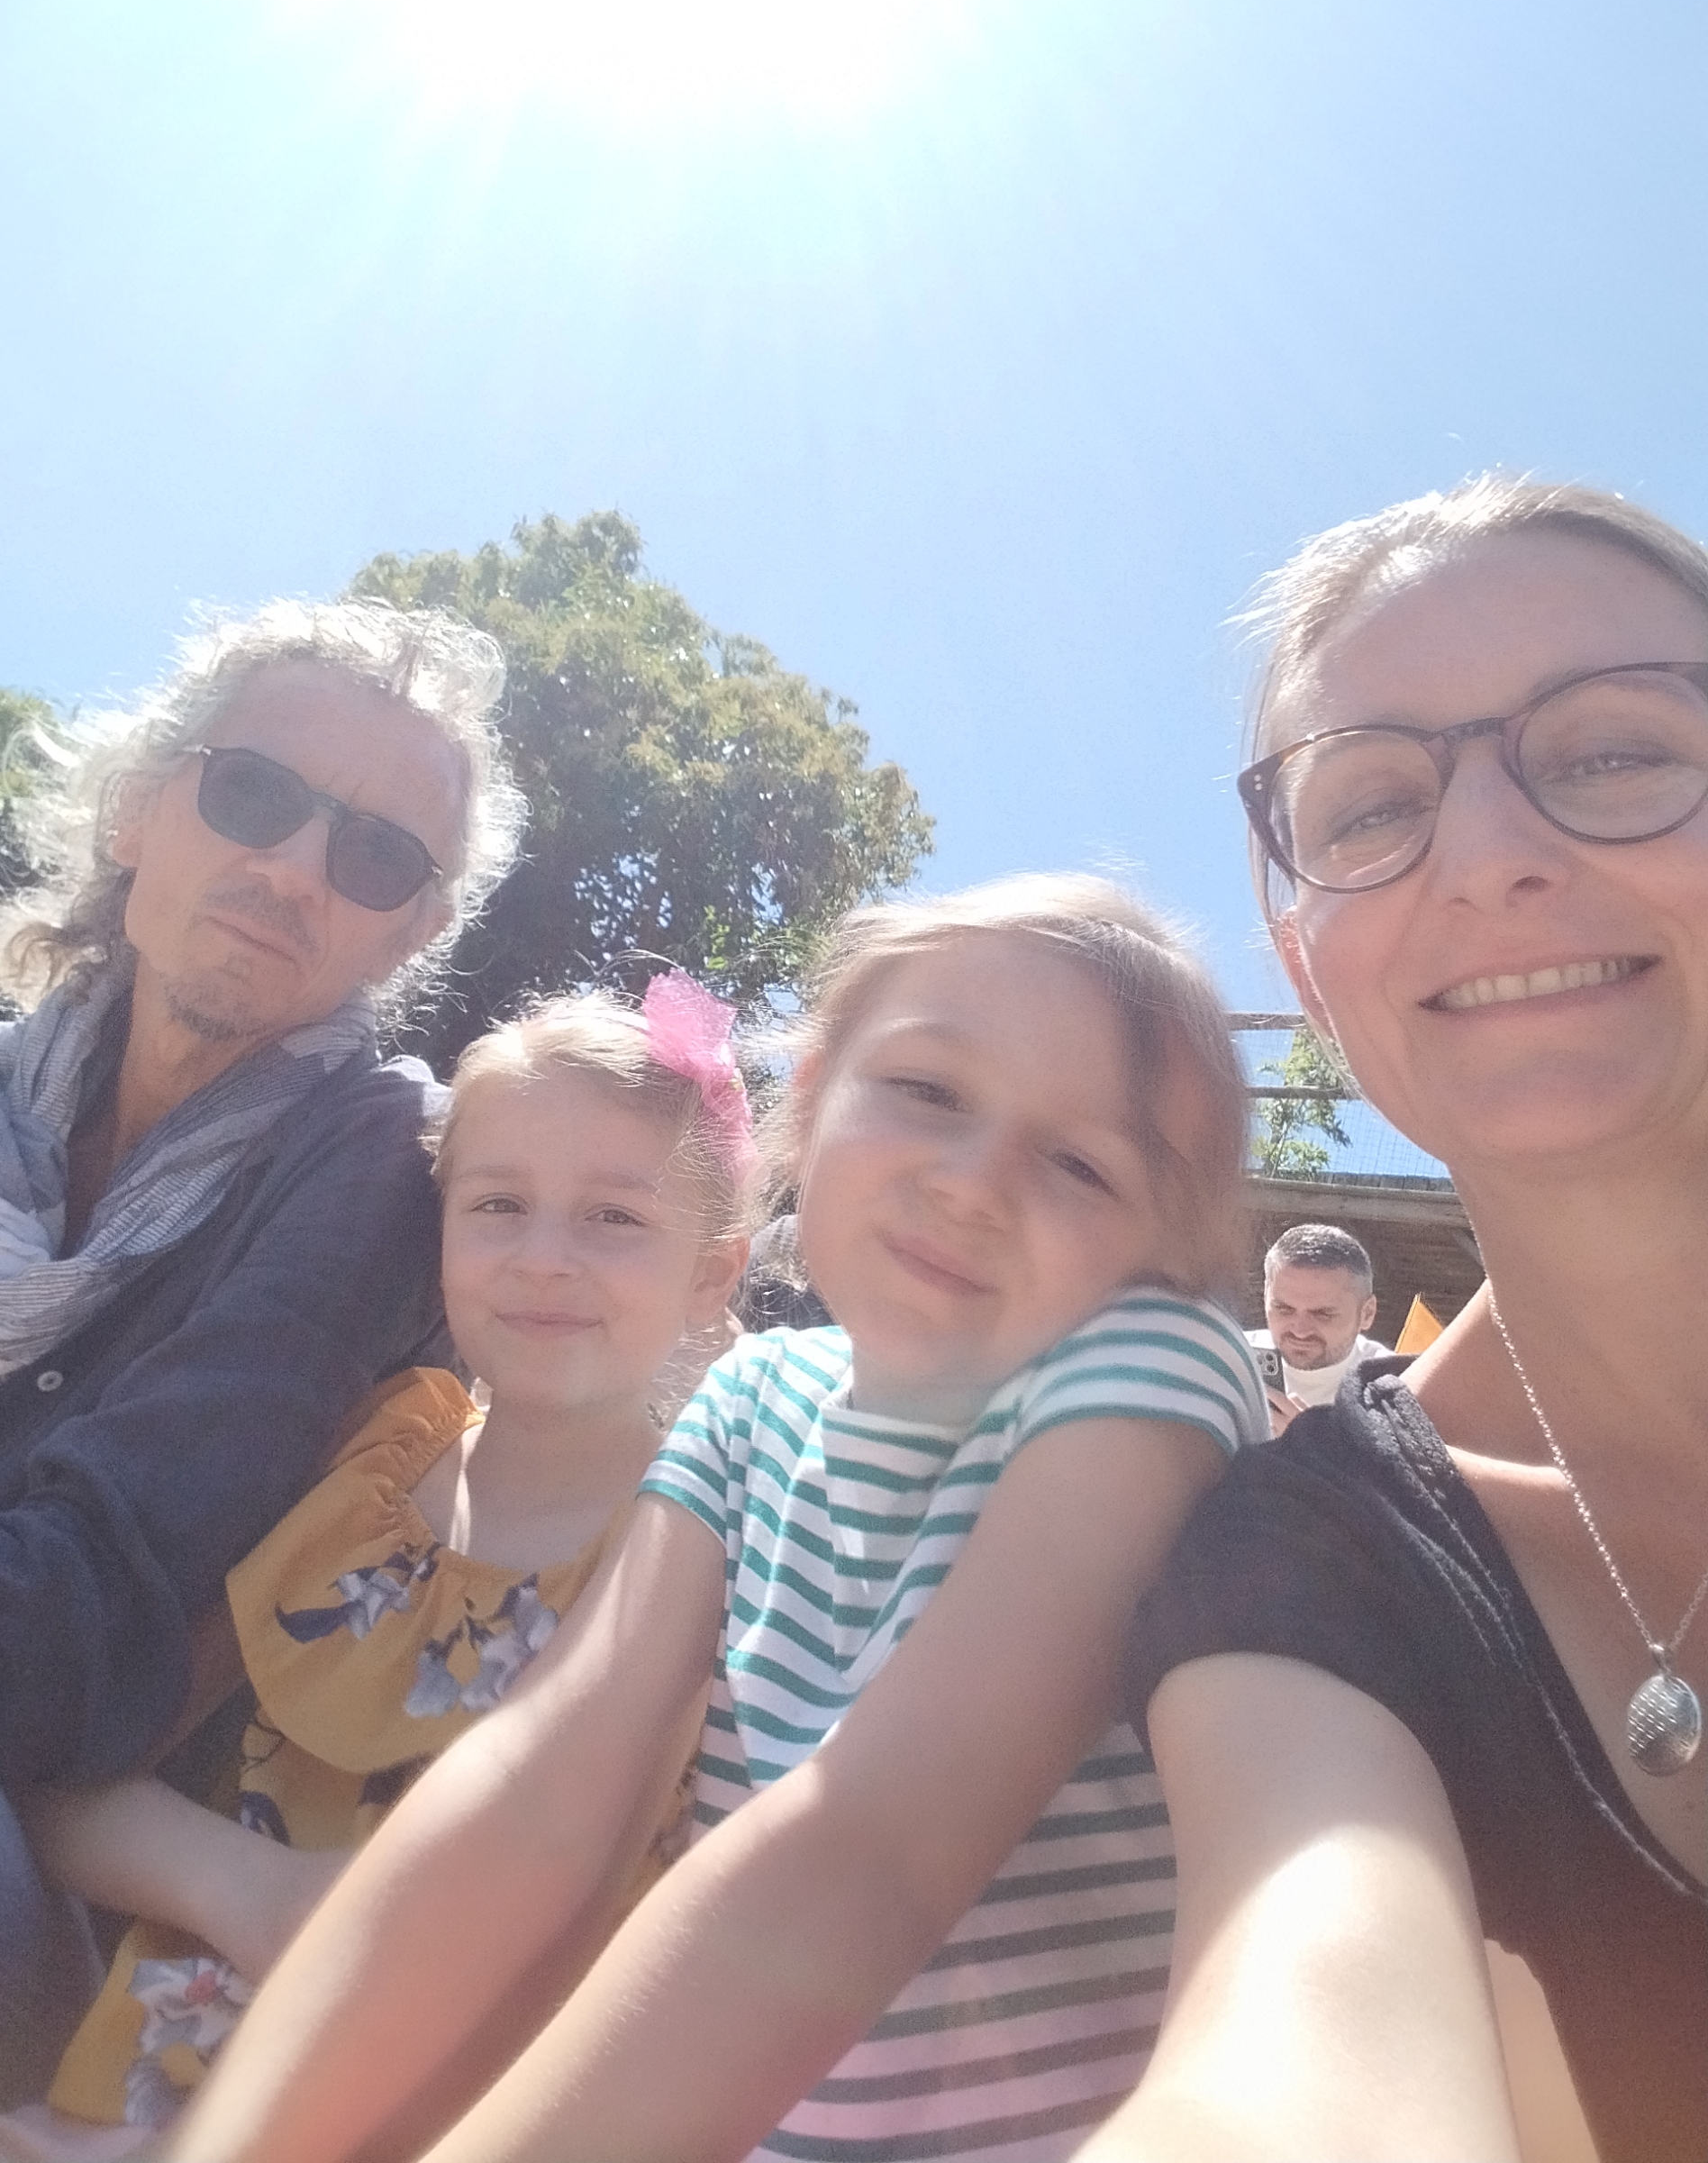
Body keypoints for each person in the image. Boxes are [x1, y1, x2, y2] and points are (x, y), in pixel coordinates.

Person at [168, 872, 1269, 2163]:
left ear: (1160, 1253)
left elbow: (881, 1847)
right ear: (813, 1097)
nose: (974, 1183)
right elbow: (541, 1779)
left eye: (1081, 1164)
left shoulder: (1150, 1368)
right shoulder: (753, 1400)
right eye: (927, 1090)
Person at [1075, 477, 1708, 2163]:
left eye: (1616, 751)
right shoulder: (1302, 1563)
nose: (1490, 858)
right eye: (1370, 806)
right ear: (1307, 962)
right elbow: (1295, 2047)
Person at [0, 978, 753, 2158]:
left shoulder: (703, 1564)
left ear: (712, 1272)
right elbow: (77, 1776)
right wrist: (250, 1890)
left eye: (615, 1217)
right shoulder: (368, 1467)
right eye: (498, 1204)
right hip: (144, 2088)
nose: (543, 1258)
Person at [0, 601, 522, 2105]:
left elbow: (99, 1610)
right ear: (139, 811)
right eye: (256, 793)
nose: (295, 869)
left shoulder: (374, 1165)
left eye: (377, 857)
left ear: (412, 930)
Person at [1247, 1222, 1389, 1428]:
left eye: (1323, 1314)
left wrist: (1308, 1442)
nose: (1300, 1331)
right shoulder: (1227, 1359)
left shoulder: (1395, 1386)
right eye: (1284, 1309)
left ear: (1367, 1314)